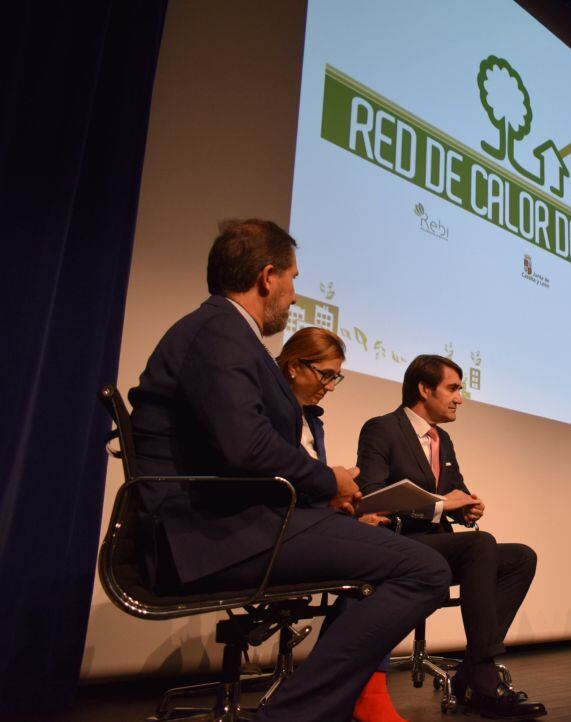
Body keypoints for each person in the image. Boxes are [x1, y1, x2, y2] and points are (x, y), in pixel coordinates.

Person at [128, 219, 451, 722]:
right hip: (213, 536)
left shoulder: (223, 333)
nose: (295, 295)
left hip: (232, 526)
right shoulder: (220, 332)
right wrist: (330, 482)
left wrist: (327, 495)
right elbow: (247, 446)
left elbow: (238, 447)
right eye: (294, 280)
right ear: (267, 277)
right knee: (424, 569)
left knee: (399, 559)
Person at [356, 355, 546, 720]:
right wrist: (442, 505)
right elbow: (372, 495)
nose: (460, 398)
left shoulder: (443, 439)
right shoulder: (382, 429)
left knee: (522, 557)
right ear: (424, 389)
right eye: (453, 388)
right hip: (399, 543)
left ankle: (470, 670)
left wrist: (466, 506)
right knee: (480, 543)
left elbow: (454, 490)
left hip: (438, 544)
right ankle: (485, 678)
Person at [276, 327, 403, 722]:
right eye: (325, 375)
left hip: (310, 524)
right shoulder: (272, 414)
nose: (330, 386)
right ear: (295, 367)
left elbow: (309, 490)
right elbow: (274, 484)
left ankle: (346, 687)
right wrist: (331, 484)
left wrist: (345, 508)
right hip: (279, 533)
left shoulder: (311, 421)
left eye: (336, 377)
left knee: (374, 547)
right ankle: (356, 689)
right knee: (383, 563)